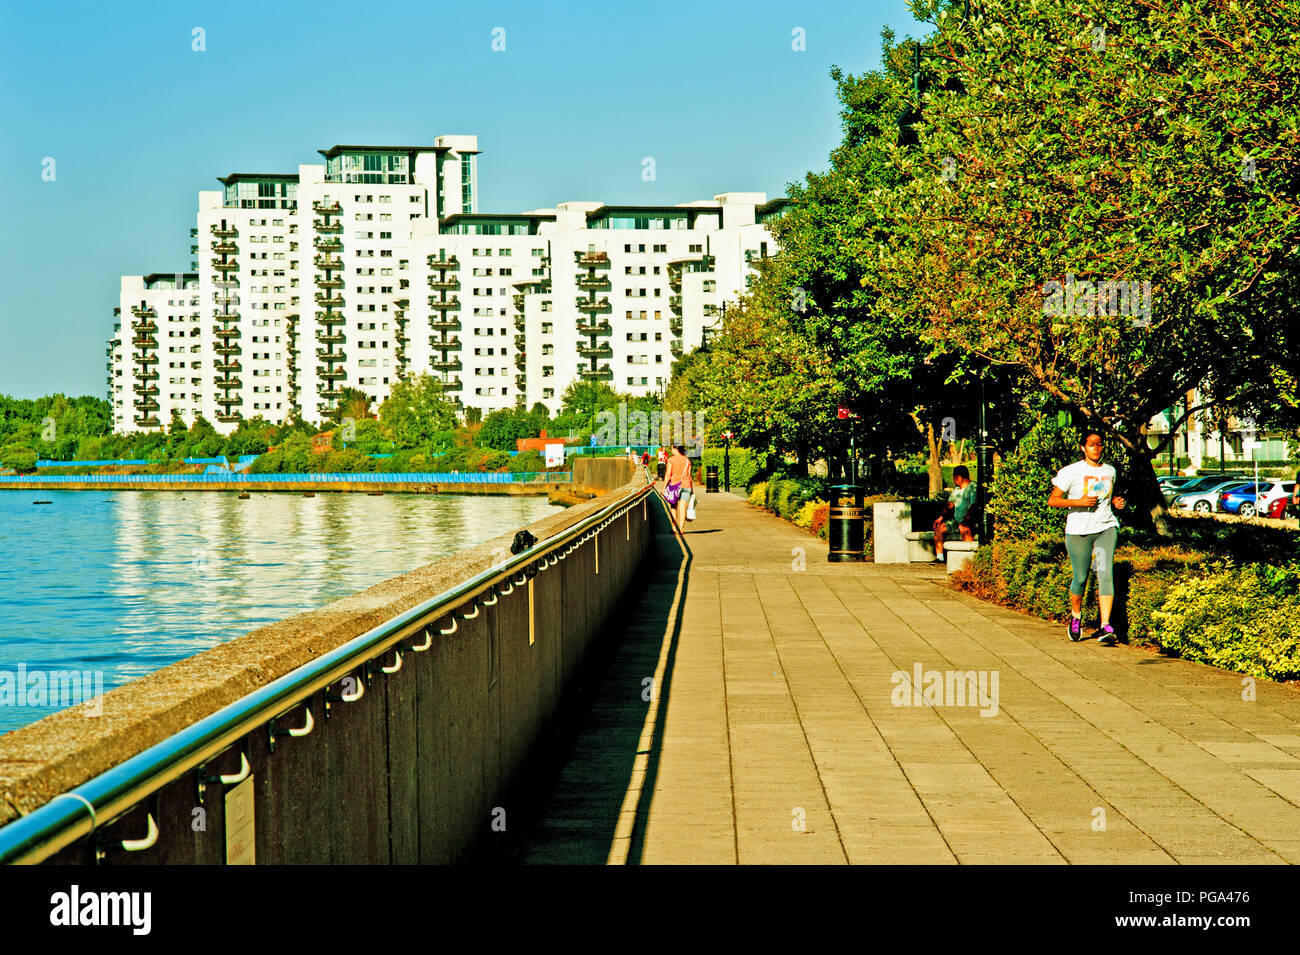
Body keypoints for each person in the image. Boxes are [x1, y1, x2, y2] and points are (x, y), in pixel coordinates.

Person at [1048, 430, 1127, 645]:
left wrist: (1115, 502)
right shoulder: (1071, 471)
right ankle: (1076, 616)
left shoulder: (1110, 471)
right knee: (1081, 578)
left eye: (1100, 444)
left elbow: (1106, 497)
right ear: (1083, 447)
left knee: (1105, 573)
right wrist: (1079, 502)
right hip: (1078, 530)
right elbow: (1053, 500)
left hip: (1105, 527)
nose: (1096, 448)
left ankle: (1105, 626)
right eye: (1091, 444)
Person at [933, 466, 975, 560]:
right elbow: (949, 505)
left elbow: (974, 506)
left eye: (954, 477)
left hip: (971, 520)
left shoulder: (973, 487)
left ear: (958, 477)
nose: (953, 480)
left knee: (964, 529)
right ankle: (939, 558)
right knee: (939, 529)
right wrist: (940, 518)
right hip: (956, 521)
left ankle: (971, 560)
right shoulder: (956, 490)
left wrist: (966, 520)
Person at [663, 445, 694, 530]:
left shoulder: (671, 460)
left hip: (675, 485)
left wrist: (663, 488)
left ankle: (674, 527)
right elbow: (689, 475)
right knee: (683, 507)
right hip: (686, 485)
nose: (671, 450)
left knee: (674, 506)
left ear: (675, 449)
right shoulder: (687, 460)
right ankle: (681, 528)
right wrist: (692, 490)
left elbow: (668, 475)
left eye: (672, 448)